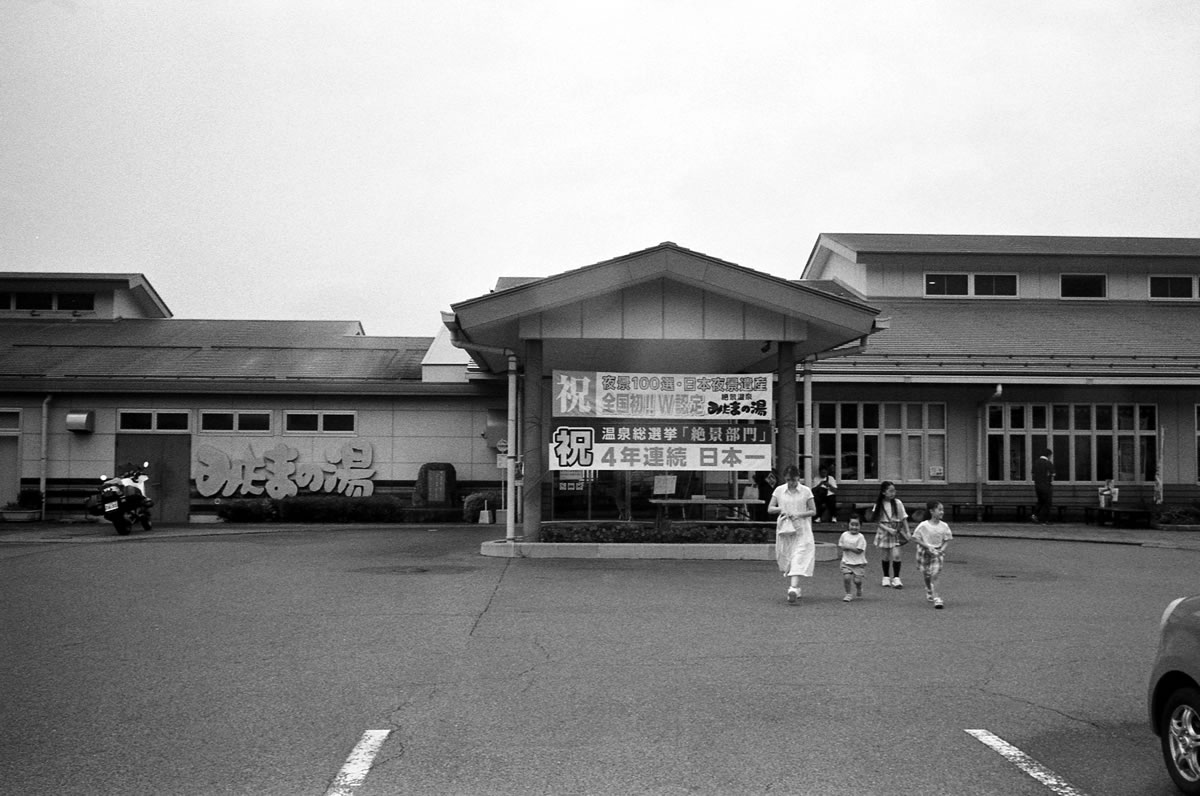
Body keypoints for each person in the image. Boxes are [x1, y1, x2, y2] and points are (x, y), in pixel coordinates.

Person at [767, 464, 816, 604]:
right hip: (785, 529)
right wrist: (781, 509)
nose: (791, 483)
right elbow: (770, 508)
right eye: (788, 480)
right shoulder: (779, 490)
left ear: (798, 478)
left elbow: (813, 511)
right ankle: (796, 587)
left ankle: (793, 588)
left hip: (802, 530)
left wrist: (799, 514)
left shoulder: (806, 491)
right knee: (787, 556)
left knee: (799, 556)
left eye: (793, 480)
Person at [912, 501, 953, 609]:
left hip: (937, 553)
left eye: (942, 510)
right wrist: (926, 546)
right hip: (925, 551)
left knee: (935, 574)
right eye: (939, 509)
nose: (941, 512)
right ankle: (929, 588)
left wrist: (941, 550)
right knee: (927, 574)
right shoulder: (923, 525)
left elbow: (947, 539)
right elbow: (915, 538)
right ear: (931, 511)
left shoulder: (944, 526)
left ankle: (937, 598)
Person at [871, 480, 910, 588]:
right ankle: (886, 577)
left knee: (896, 555)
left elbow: (904, 518)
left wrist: (907, 531)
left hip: (896, 530)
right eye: (890, 491)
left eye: (894, 490)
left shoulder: (898, 503)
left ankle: (896, 578)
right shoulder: (879, 504)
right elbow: (877, 521)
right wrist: (887, 529)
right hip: (885, 530)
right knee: (885, 555)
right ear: (884, 492)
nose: (893, 493)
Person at [838, 516, 867, 601]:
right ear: (848, 525)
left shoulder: (860, 537)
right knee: (846, 578)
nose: (854, 527)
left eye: (857, 525)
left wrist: (849, 547)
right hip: (846, 562)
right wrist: (844, 547)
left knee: (857, 580)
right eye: (852, 525)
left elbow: (859, 550)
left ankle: (859, 587)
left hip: (858, 563)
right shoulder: (844, 535)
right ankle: (848, 594)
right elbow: (841, 545)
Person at [1032, 449, 1055, 524]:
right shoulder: (1048, 463)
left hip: (1037, 485)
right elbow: (1053, 474)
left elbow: (1033, 473)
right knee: (1047, 503)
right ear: (1048, 455)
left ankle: (1035, 514)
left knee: (1040, 501)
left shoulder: (1036, 462)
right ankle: (1045, 520)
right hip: (1046, 485)